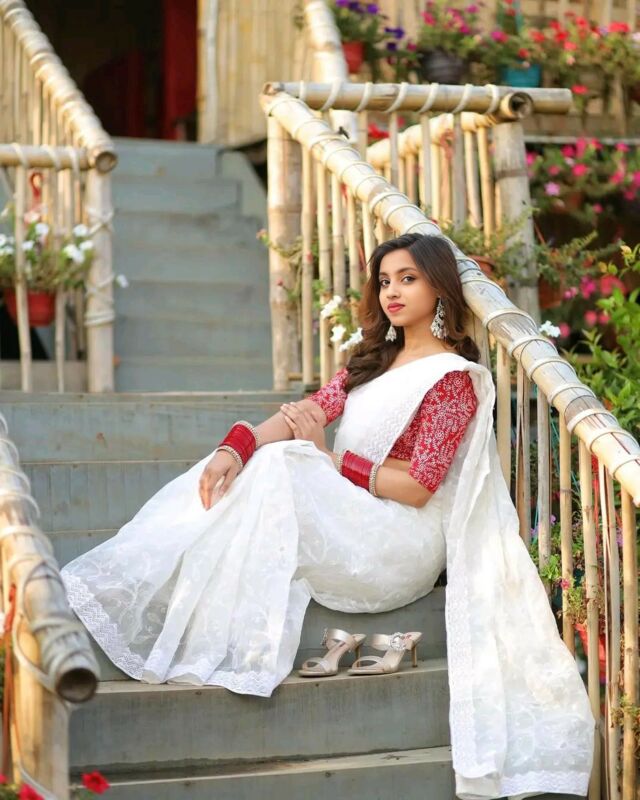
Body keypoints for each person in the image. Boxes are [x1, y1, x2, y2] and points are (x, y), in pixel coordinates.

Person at [61, 233, 595, 799]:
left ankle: (210, 623)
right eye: (384, 281)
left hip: (403, 541)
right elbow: (306, 414)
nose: (392, 292)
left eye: (408, 279)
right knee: (271, 458)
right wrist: (235, 447)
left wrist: (333, 460)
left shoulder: (453, 380)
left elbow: (419, 488)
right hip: (357, 512)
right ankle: (164, 587)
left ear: (440, 288)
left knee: (289, 463)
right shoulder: (372, 361)